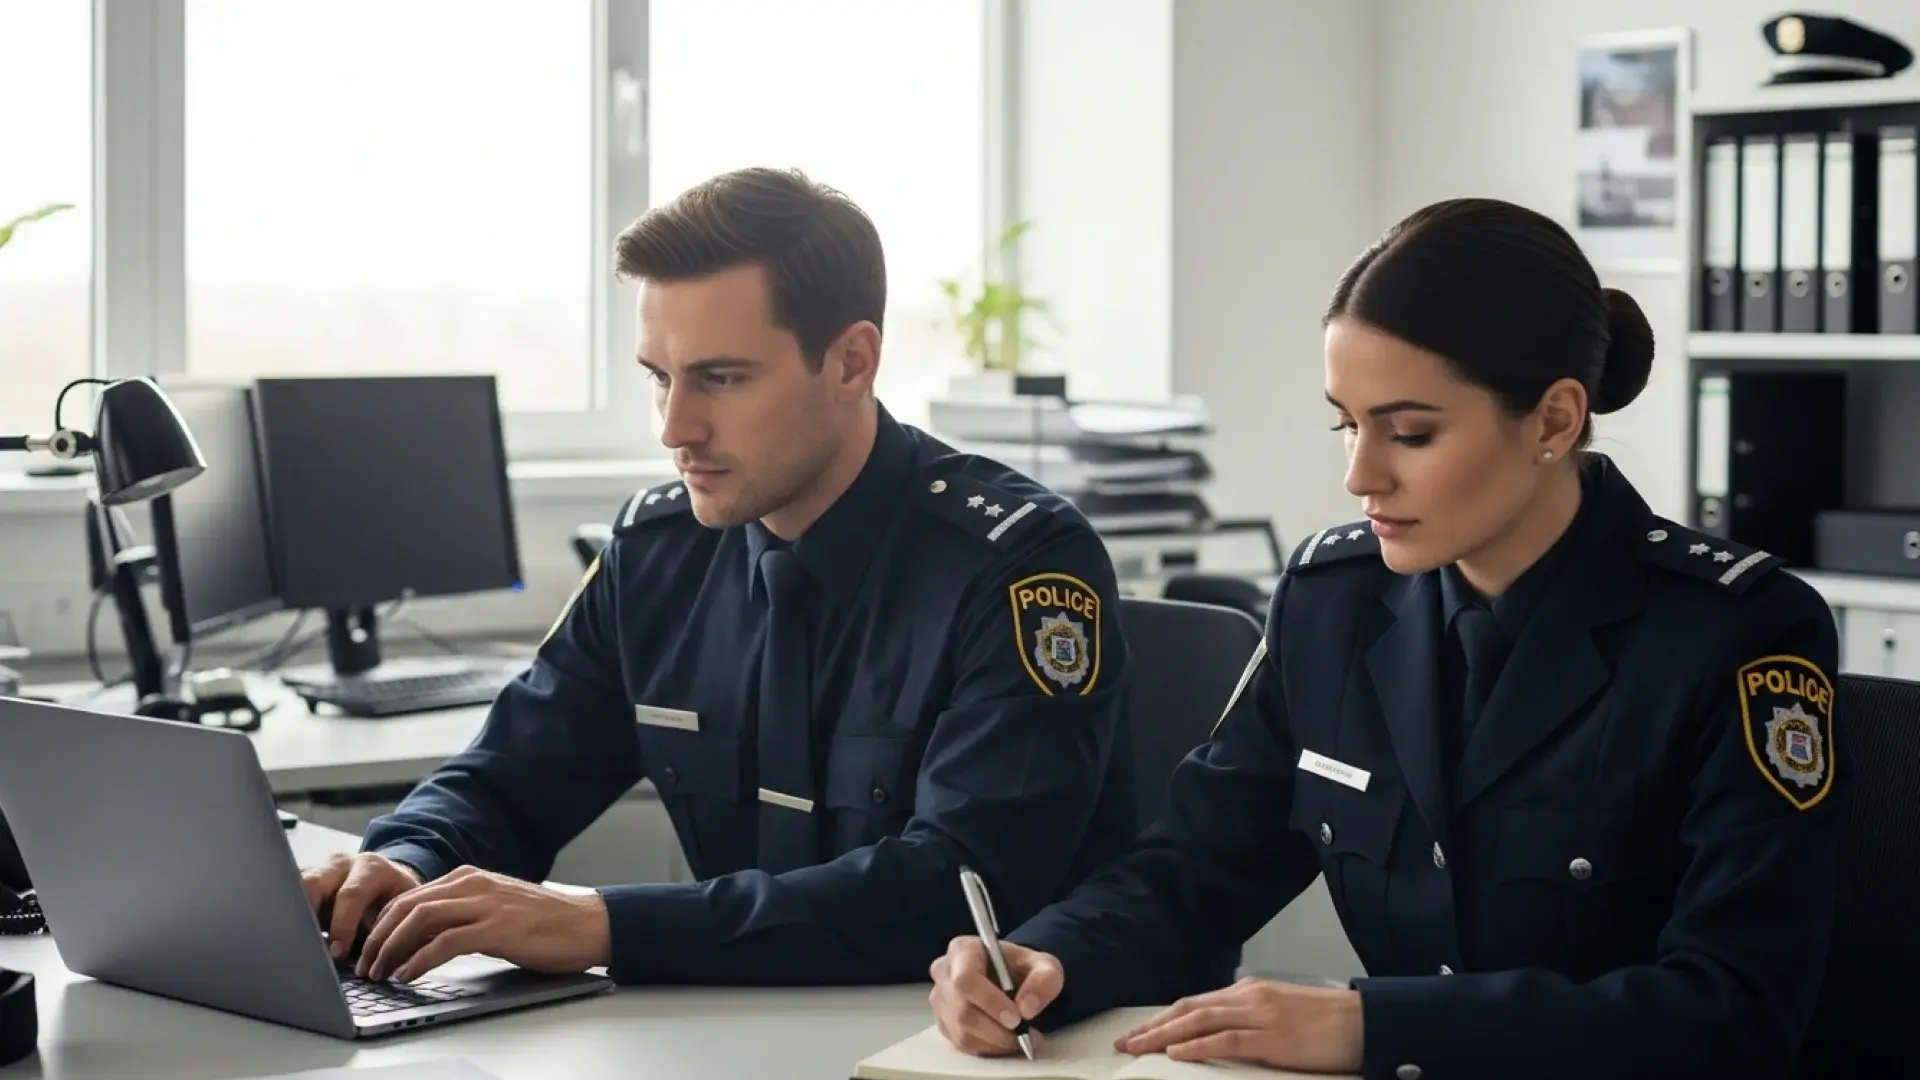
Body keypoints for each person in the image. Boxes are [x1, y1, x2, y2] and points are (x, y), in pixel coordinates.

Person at [928, 197, 1844, 1080]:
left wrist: (1376, 1026)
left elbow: (1734, 1012)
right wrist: (1046, 957)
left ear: (1555, 420)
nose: (1361, 474)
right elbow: (1196, 865)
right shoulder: (1334, 601)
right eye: (1346, 423)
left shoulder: (1734, 633)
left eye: (1409, 431)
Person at [301, 166, 1139, 988]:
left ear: (851, 362)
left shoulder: (1018, 563)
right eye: (660, 378)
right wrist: (405, 860)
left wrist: (603, 925)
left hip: (970, 1044)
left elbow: (956, 890)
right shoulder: (655, 551)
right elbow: (512, 773)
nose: (675, 427)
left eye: (721, 378)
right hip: (734, 1031)